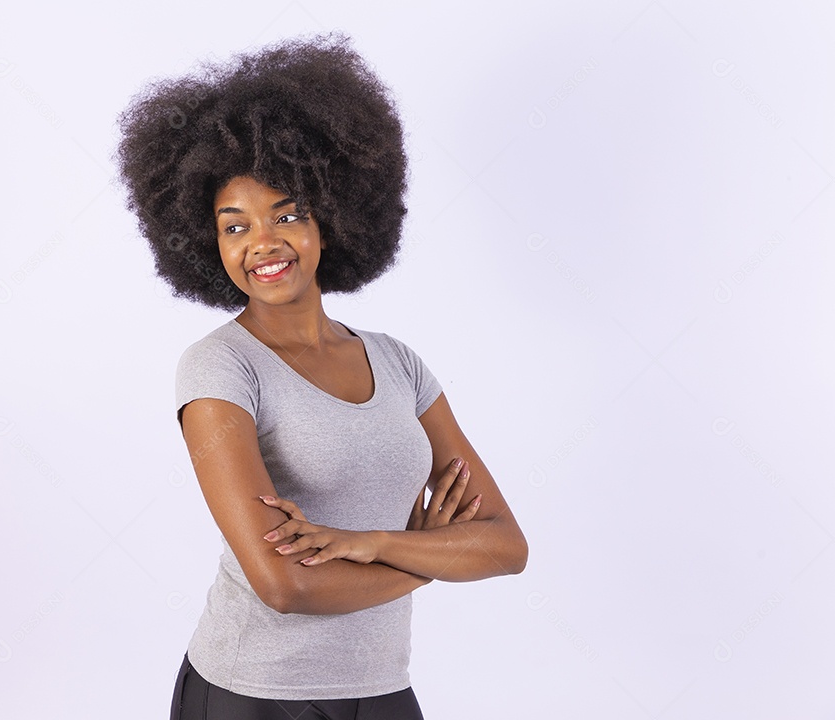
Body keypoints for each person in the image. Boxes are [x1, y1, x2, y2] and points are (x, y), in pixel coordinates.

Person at [113, 32, 528, 720]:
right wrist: (432, 556)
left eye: (288, 215)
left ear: (329, 222)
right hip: (255, 693)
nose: (263, 244)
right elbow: (284, 586)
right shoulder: (220, 368)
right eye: (234, 226)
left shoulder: (398, 362)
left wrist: (369, 544)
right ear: (208, 241)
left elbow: (506, 547)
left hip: (382, 689)